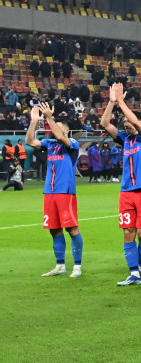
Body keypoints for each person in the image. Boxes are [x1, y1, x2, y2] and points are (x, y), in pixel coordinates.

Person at [101, 83, 141, 286]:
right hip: (126, 192)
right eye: (124, 121)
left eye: (129, 121)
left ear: (140, 123)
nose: (126, 123)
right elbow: (105, 124)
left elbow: (134, 119)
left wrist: (122, 102)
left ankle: (140, 268)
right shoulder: (125, 140)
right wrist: (111, 102)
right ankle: (134, 273)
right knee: (128, 232)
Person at [25, 104, 83, 277]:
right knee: (54, 229)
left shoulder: (72, 144)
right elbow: (29, 141)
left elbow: (59, 135)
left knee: (71, 229)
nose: (54, 132)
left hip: (65, 192)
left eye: (58, 129)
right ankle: (60, 266)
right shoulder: (50, 144)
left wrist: (49, 117)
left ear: (65, 131)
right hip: (49, 193)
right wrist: (34, 121)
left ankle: (77, 267)